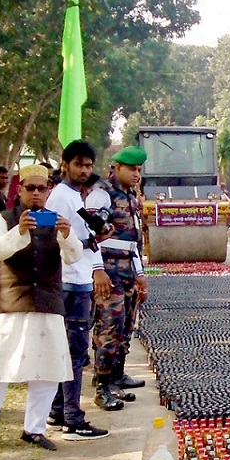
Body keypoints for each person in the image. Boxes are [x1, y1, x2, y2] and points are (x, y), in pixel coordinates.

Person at [0, 164, 84, 453]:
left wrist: (66, 236)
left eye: (42, 188)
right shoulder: (3, 219)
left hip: (48, 304)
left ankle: (35, 429)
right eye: (31, 188)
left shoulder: (59, 221)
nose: (37, 193)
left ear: (49, 191)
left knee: (47, 371)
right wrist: (20, 231)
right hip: (11, 305)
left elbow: (74, 257)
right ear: (20, 190)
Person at [44, 139, 110, 441]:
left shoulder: (73, 197)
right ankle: (73, 419)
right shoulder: (61, 197)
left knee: (71, 349)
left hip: (78, 277)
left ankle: (58, 411)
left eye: (88, 165)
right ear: (65, 164)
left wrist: (94, 239)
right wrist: (91, 242)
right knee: (74, 351)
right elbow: (58, 240)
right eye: (78, 164)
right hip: (70, 280)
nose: (84, 170)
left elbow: (80, 236)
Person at [93, 145, 149, 410]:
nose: (137, 174)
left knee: (125, 325)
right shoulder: (103, 195)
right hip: (109, 269)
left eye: (139, 169)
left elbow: (133, 241)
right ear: (117, 168)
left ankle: (117, 375)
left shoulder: (130, 197)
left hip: (126, 269)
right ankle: (102, 385)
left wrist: (139, 274)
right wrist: (97, 270)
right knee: (109, 327)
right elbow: (91, 236)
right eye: (132, 169)